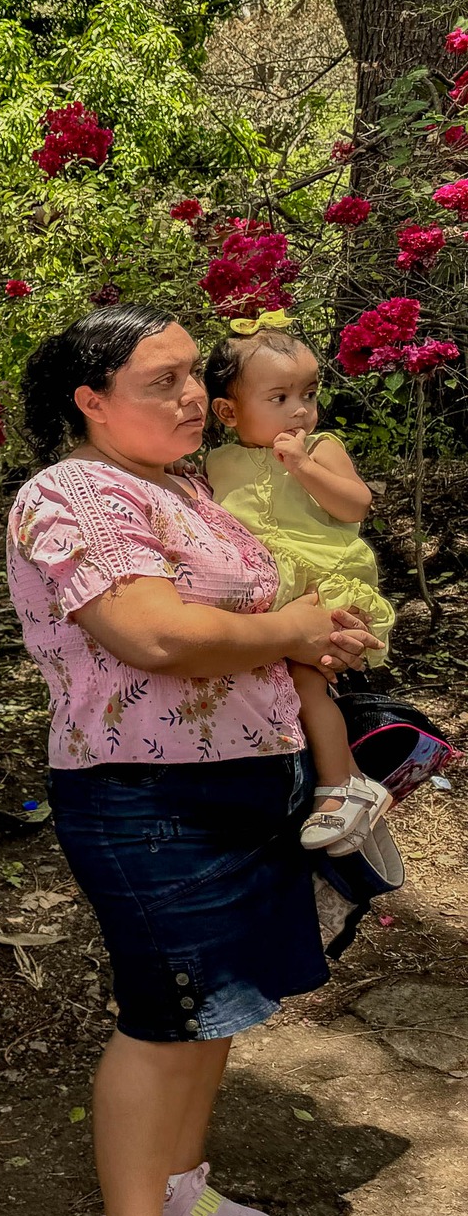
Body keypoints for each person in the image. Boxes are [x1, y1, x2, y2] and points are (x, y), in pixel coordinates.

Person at [7, 305, 382, 1216]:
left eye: (190, 376)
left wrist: (313, 637)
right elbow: (153, 634)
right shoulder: (68, 494)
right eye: (160, 382)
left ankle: (177, 1192)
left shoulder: (185, 486)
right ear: (90, 402)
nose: (190, 397)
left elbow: (247, 619)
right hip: (146, 796)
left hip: (250, 776)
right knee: (165, 1018)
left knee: (219, 1007)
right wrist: (287, 626)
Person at [204, 314, 396, 851]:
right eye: (280, 397)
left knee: (308, 682)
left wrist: (303, 467)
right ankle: (333, 786)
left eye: (308, 394)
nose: (300, 410)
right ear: (228, 411)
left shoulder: (322, 447)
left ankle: (343, 785)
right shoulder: (217, 461)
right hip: (270, 596)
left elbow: (355, 504)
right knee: (283, 684)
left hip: (322, 583)